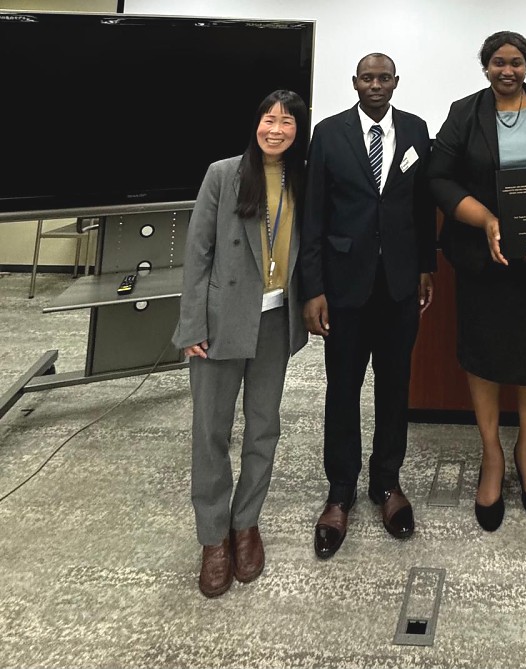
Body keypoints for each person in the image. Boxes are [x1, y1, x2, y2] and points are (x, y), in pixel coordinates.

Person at [427, 31, 526, 531]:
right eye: (497, 62)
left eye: (515, 62)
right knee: (484, 354)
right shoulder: (464, 113)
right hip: (483, 259)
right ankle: (492, 453)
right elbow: (441, 179)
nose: (506, 70)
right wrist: (488, 221)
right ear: (486, 67)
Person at [173, 89, 310, 598]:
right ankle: (213, 539)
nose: (276, 129)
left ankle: (245, 523)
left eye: (287, 123)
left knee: (263, 429)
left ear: (299, 130)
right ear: (256, 124)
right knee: (211, 432)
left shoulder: (302, 176)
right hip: (220, 321)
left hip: (275, 322)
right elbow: (197, 254)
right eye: (268, 120)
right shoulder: (223, 173)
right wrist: (192, 327)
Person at [299, 53, 436, 560]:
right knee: (343, 388)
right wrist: (313, 289)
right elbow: (313, 214)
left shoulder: (417, 129)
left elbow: (422, 207)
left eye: (384, 77)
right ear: (354, 82)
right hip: (344, 287)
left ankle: (386, 484)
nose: (375, 84)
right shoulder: (329, 134)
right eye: (367, 77)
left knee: (395, 386)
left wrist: (426, 266)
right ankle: (340, 492)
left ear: (396, 83)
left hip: (400, 284)